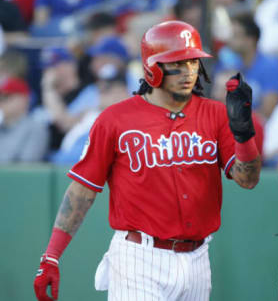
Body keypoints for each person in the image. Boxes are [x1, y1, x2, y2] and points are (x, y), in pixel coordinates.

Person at [33, 20, 261, 301]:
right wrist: (52, 256)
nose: (188, 71)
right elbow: (82, 190)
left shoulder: (214, 114)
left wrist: (244, 135)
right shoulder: (115, 119)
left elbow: (248, 179)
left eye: (192, 62)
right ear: (153, 69)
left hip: (199, 259)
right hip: (139, 256)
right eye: (176, 63)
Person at [0, 77, 49, 163]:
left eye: (5, 97)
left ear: (24, 99)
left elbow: (25, 168)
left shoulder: (36, 128)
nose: (1, 102)